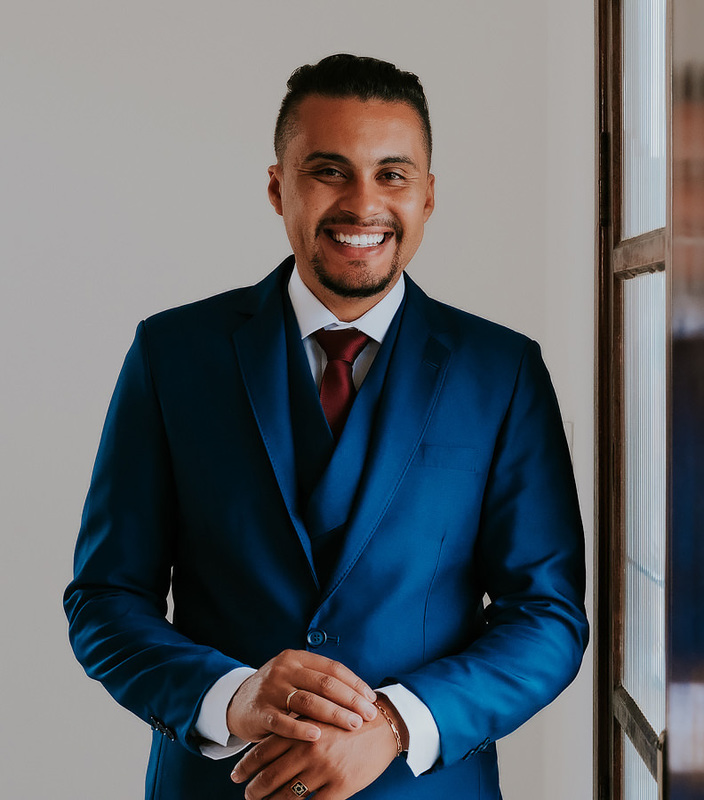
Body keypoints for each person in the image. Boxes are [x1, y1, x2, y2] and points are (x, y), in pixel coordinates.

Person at [64, 54, 588, 800]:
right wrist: (229, 699)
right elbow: (105, 598)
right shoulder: (173, 355)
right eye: (329, 171)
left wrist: (398, 724)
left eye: (393, 174)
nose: (363, 203)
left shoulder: (501, 372)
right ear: (279, 188)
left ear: (429, 196)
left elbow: (548, 616)